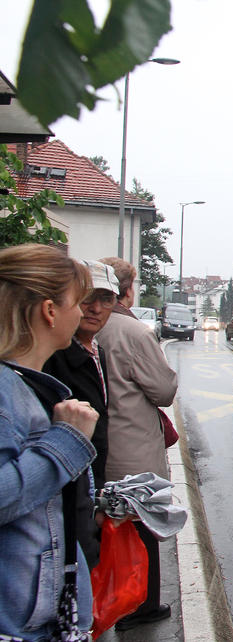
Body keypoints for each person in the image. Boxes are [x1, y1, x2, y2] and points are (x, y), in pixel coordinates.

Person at [0, 244, 99, 640]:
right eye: (77, 302)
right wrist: (68, 442)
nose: (82, 313)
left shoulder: (26, 384)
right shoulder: (5, 390)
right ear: (49, 311)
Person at [96, 256, 178, 631]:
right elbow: (163, 391)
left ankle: (105, 600)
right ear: (127, 291)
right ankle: (141, 606)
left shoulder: (84, 327)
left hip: (97, 448)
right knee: (142, 527)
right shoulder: (133, 332)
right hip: (132, 448)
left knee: (102, 526)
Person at [43, 260, 119, 568]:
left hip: (88, 492)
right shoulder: (53, 356)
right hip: (63, 505)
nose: (95, 308)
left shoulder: (97, 351)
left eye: (106, 299)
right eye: (87, 298)